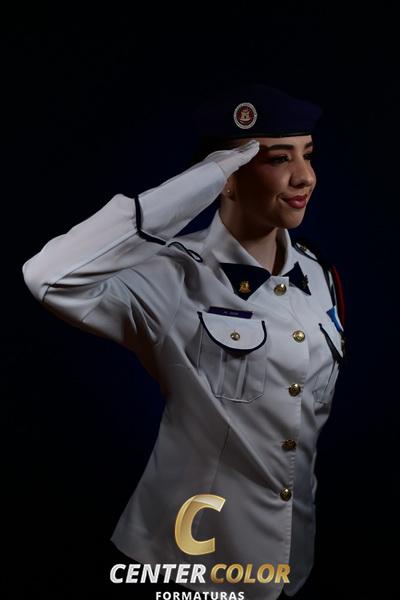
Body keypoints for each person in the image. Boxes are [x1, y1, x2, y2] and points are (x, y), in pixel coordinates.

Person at [22, 84, 345, 600]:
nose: (305, 176)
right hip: (190, 559)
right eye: (278, 159)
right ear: (228, 176)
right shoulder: (171, 275)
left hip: (290, 559)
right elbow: (47, 277)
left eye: (308, 155)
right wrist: (205, 178)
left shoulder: (318, 275)